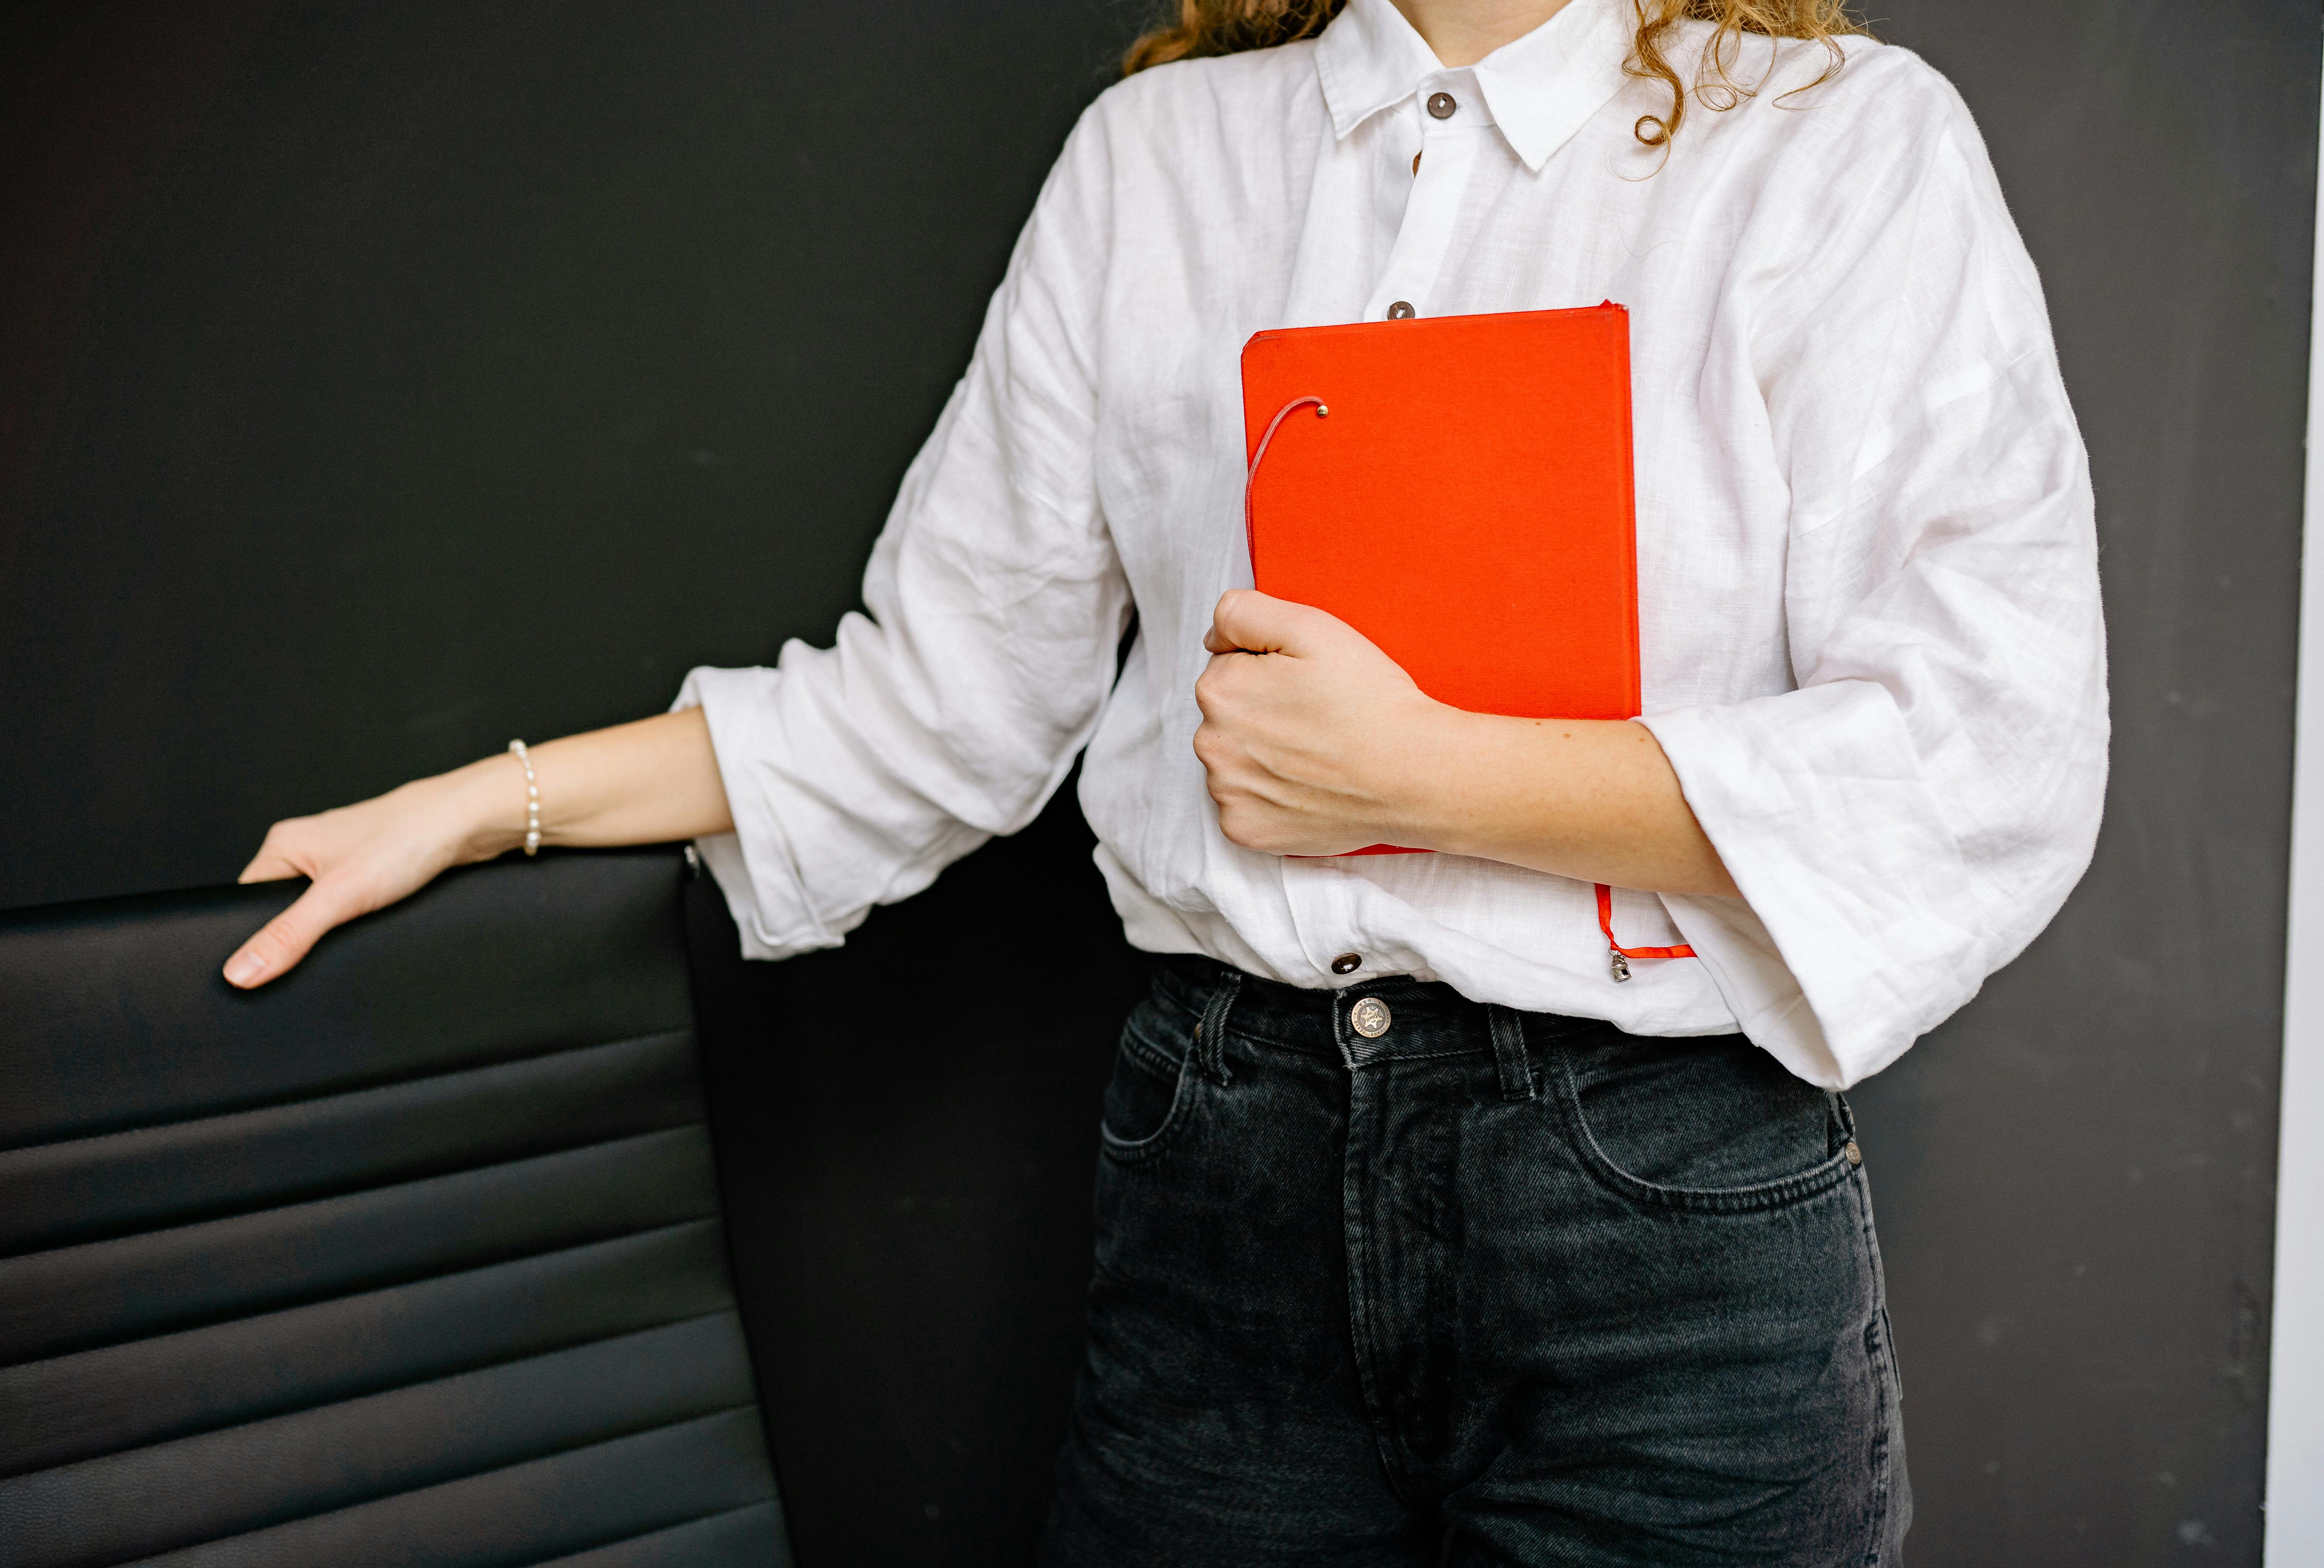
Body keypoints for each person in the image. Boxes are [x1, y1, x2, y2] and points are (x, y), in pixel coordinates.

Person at [222, 0, 2107, 1560]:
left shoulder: (1841, 146)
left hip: (1661, 1219)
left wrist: (1434, 776)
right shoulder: (1158, 166)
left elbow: (1983, 740)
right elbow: (929, 701)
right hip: (1228, 1192)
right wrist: (491, 801)